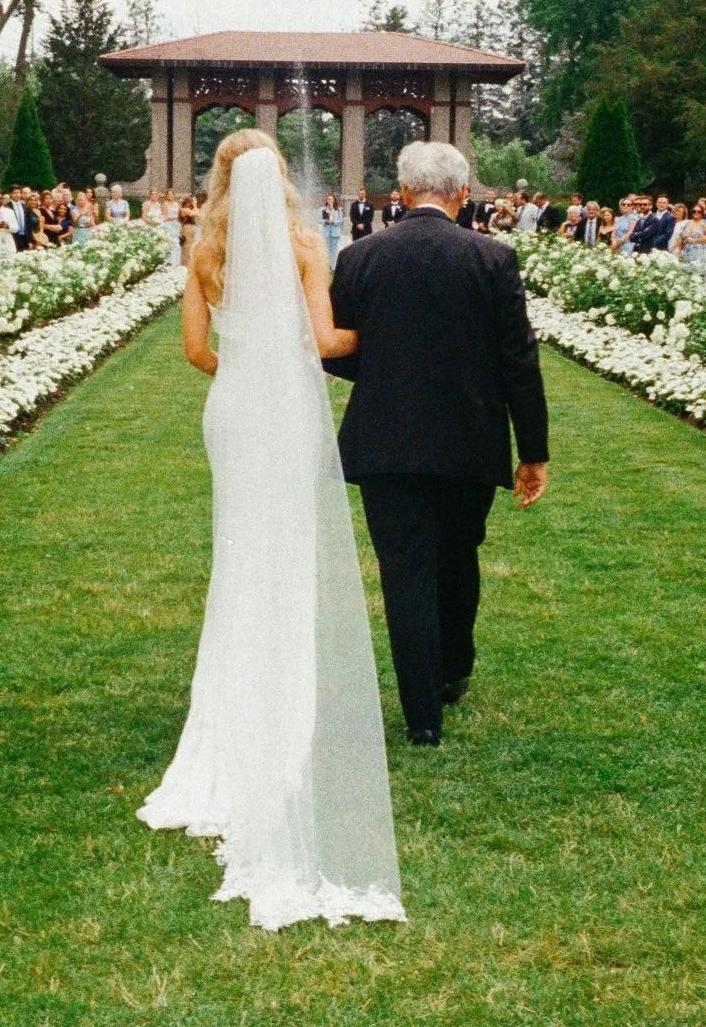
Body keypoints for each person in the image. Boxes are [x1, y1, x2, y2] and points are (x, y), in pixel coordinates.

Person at [140, 130, 406, 933]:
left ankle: (232, 698)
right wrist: (397, 332)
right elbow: (327, 343)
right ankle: (286, 693)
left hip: (233, 411)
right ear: (280, 180)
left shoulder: (204, 251)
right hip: (286, 412)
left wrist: (247, 368)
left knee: (239, 557)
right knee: (288, 554)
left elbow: (195, 349)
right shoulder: (301, 245)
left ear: (219, 179)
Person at [324, 138, 549, 750]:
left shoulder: (361, 256)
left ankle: (423, 712)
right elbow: (518, 362)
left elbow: (340, 350)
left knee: (406, 572)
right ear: (463, 194)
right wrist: (533, 451)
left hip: (385, 440)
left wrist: (387, 366)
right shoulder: (493, 258)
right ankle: (452, 671)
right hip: (468, 439)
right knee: (458, 555)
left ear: (400, 193)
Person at [319, 192, 345, 266]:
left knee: (335, 250)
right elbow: (320, 220)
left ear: (334, 200)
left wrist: (333, 222)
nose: (330, 200)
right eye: (328, 199)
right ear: (326, 200)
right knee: (326, 250)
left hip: (335, 232)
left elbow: (341, 220)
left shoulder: (338, 210)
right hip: (326, 232)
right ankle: (326, 265)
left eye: (331, 199)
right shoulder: (323, 209)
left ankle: (333, 266)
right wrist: (325, 221)